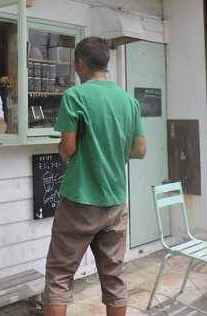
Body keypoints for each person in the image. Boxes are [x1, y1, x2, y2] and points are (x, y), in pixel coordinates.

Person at [43, 37, 146, 316]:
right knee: (113, 277)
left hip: (80, 198)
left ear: (80, 63)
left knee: (60, 275)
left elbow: (68, 147)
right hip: (114, 201)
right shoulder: (129, 101)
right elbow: (139, 150)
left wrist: (64, 151)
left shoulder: (75, 96)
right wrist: (113, 150)